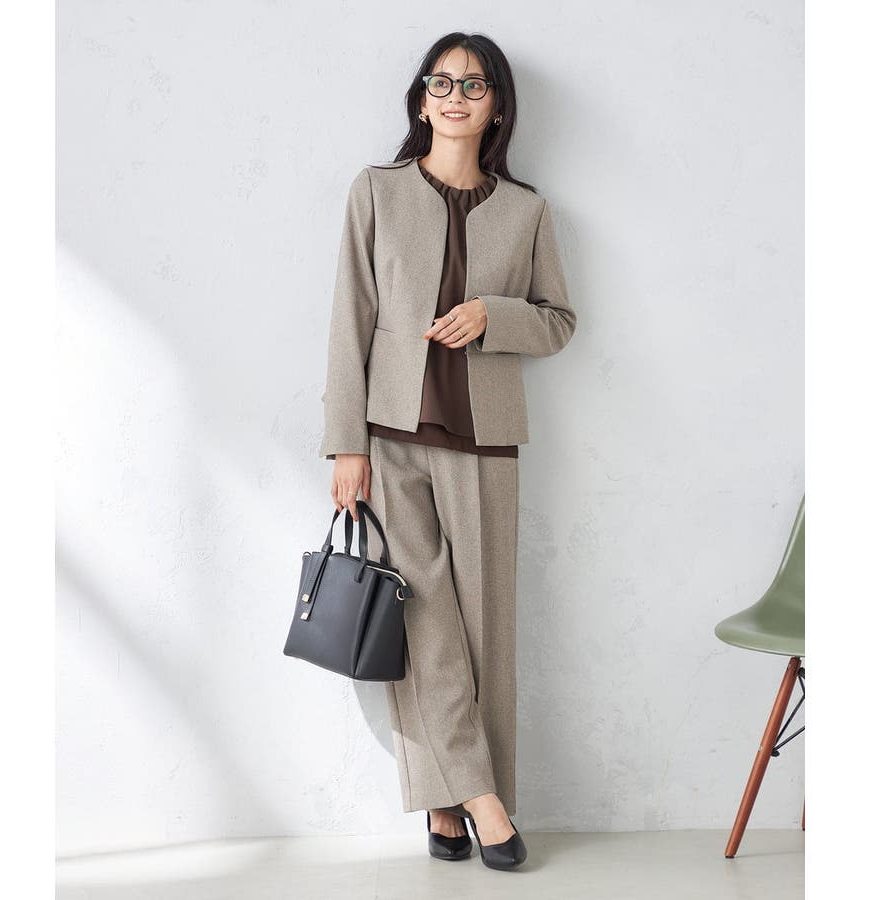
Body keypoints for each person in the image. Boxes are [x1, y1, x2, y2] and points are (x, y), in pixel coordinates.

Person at [318, 32, 576, 871]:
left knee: (484, 631)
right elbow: (349, 320)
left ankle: (445, 801)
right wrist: (344, 444)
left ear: (496, 106)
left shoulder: (528, 211)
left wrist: (495, 315)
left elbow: (560, 321)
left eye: (473, 84)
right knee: (424, 620)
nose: (455, 95)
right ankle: (482, 798)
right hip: (390, 441)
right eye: (441, 82)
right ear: (421, 100)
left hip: (486, 440)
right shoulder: (377, 191)